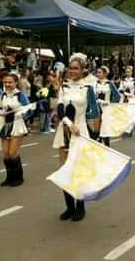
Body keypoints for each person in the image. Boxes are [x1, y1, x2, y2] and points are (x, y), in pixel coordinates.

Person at [53, 54, 100, 222]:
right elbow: (59, 108)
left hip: (81, 132)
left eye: (76, 68)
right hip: (64, 132)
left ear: (83, 70)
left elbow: (94, 112)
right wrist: (67, 122)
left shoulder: (88, 89)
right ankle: (69, 207)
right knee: (65, 170)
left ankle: (80, 207)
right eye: (70, 68)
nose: (72, 71)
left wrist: (95, 134)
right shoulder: (64, 87)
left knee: (78, 171)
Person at [0, 73, 31, 187]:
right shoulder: (3, 95)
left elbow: (29, 111)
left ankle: (18, 177)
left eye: (10, 82)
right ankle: (9, 177)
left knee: (12, 152)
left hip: (17, 124)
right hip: (5, 124)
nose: (7, 84)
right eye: (5, 82)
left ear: (16, 83)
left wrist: (19, 112)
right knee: (6, 154)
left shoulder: (20, 95)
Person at [93, 66, 121, 147]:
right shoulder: (95, 83)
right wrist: (96, 100)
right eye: (97, 72)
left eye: (100, 72)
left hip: (106, 108)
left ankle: (107, 147)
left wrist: (109, 102)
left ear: (105, 74)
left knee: (105, 129)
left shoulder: (110, 83)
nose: (98, 74)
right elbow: (92, 96)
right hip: (97, 108)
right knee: (97, 130)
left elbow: (117, 96)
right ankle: (97, 147)